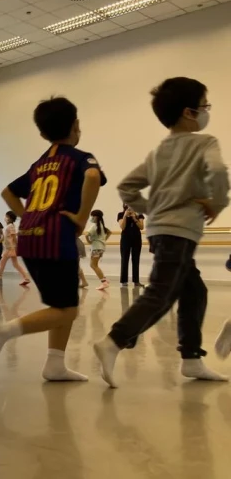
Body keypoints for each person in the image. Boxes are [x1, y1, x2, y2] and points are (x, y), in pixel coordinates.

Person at [95, 77, 230, 387]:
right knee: (161, 293)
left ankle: (192, 359)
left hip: (159, 232)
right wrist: (217, 203)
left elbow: (126, 186)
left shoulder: (159, 152)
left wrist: (152, 209)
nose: (207, 111)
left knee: (194, 290)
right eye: (204, 105)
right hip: (179, 232)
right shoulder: (204, 142)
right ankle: (113, 341)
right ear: (188, 112)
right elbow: (220, 172)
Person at [0, 96, 106, 382]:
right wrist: (80, 218)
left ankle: (55, 364)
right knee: (68, 311)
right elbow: (92, 177)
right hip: (57, 239)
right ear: (76, 125)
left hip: (30, 240)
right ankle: (6, 331)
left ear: (42, 134)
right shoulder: (80, 157)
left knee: (61, 306)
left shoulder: (39, 164)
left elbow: (7, 192)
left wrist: (27, 216)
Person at [0, 211, 30, 287]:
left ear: (10, 218)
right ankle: (26, 278)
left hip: (10, 249)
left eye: (6, 216)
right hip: (10, 248)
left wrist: (18, 247)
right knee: (15, 264)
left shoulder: (10, 226)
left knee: (1, 263)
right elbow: (3, 239)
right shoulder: (8, 226)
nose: (5, 217)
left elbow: (14, 238)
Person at [118, 204, 145, 287]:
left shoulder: (139, 214)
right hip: (125, 239)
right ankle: (124, 281)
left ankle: (136, 281)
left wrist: (134, 217)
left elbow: (141, 227)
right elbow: (122, 227)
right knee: (124, 259)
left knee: (136, 259)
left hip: (136, 239)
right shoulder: (120, 214)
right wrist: (125, 216)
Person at [86, 209, 112, 290]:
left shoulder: (94, 226)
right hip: (100, 248)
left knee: (93, 265)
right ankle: (104, 279)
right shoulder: (101, 225)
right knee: (94, 265)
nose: (91, 218)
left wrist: (89, 242)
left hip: (96, 248)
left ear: (96, 217)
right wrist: (104, 240)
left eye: (92, 216)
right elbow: (109, 232)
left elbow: (86, 235)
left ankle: (104, 282)